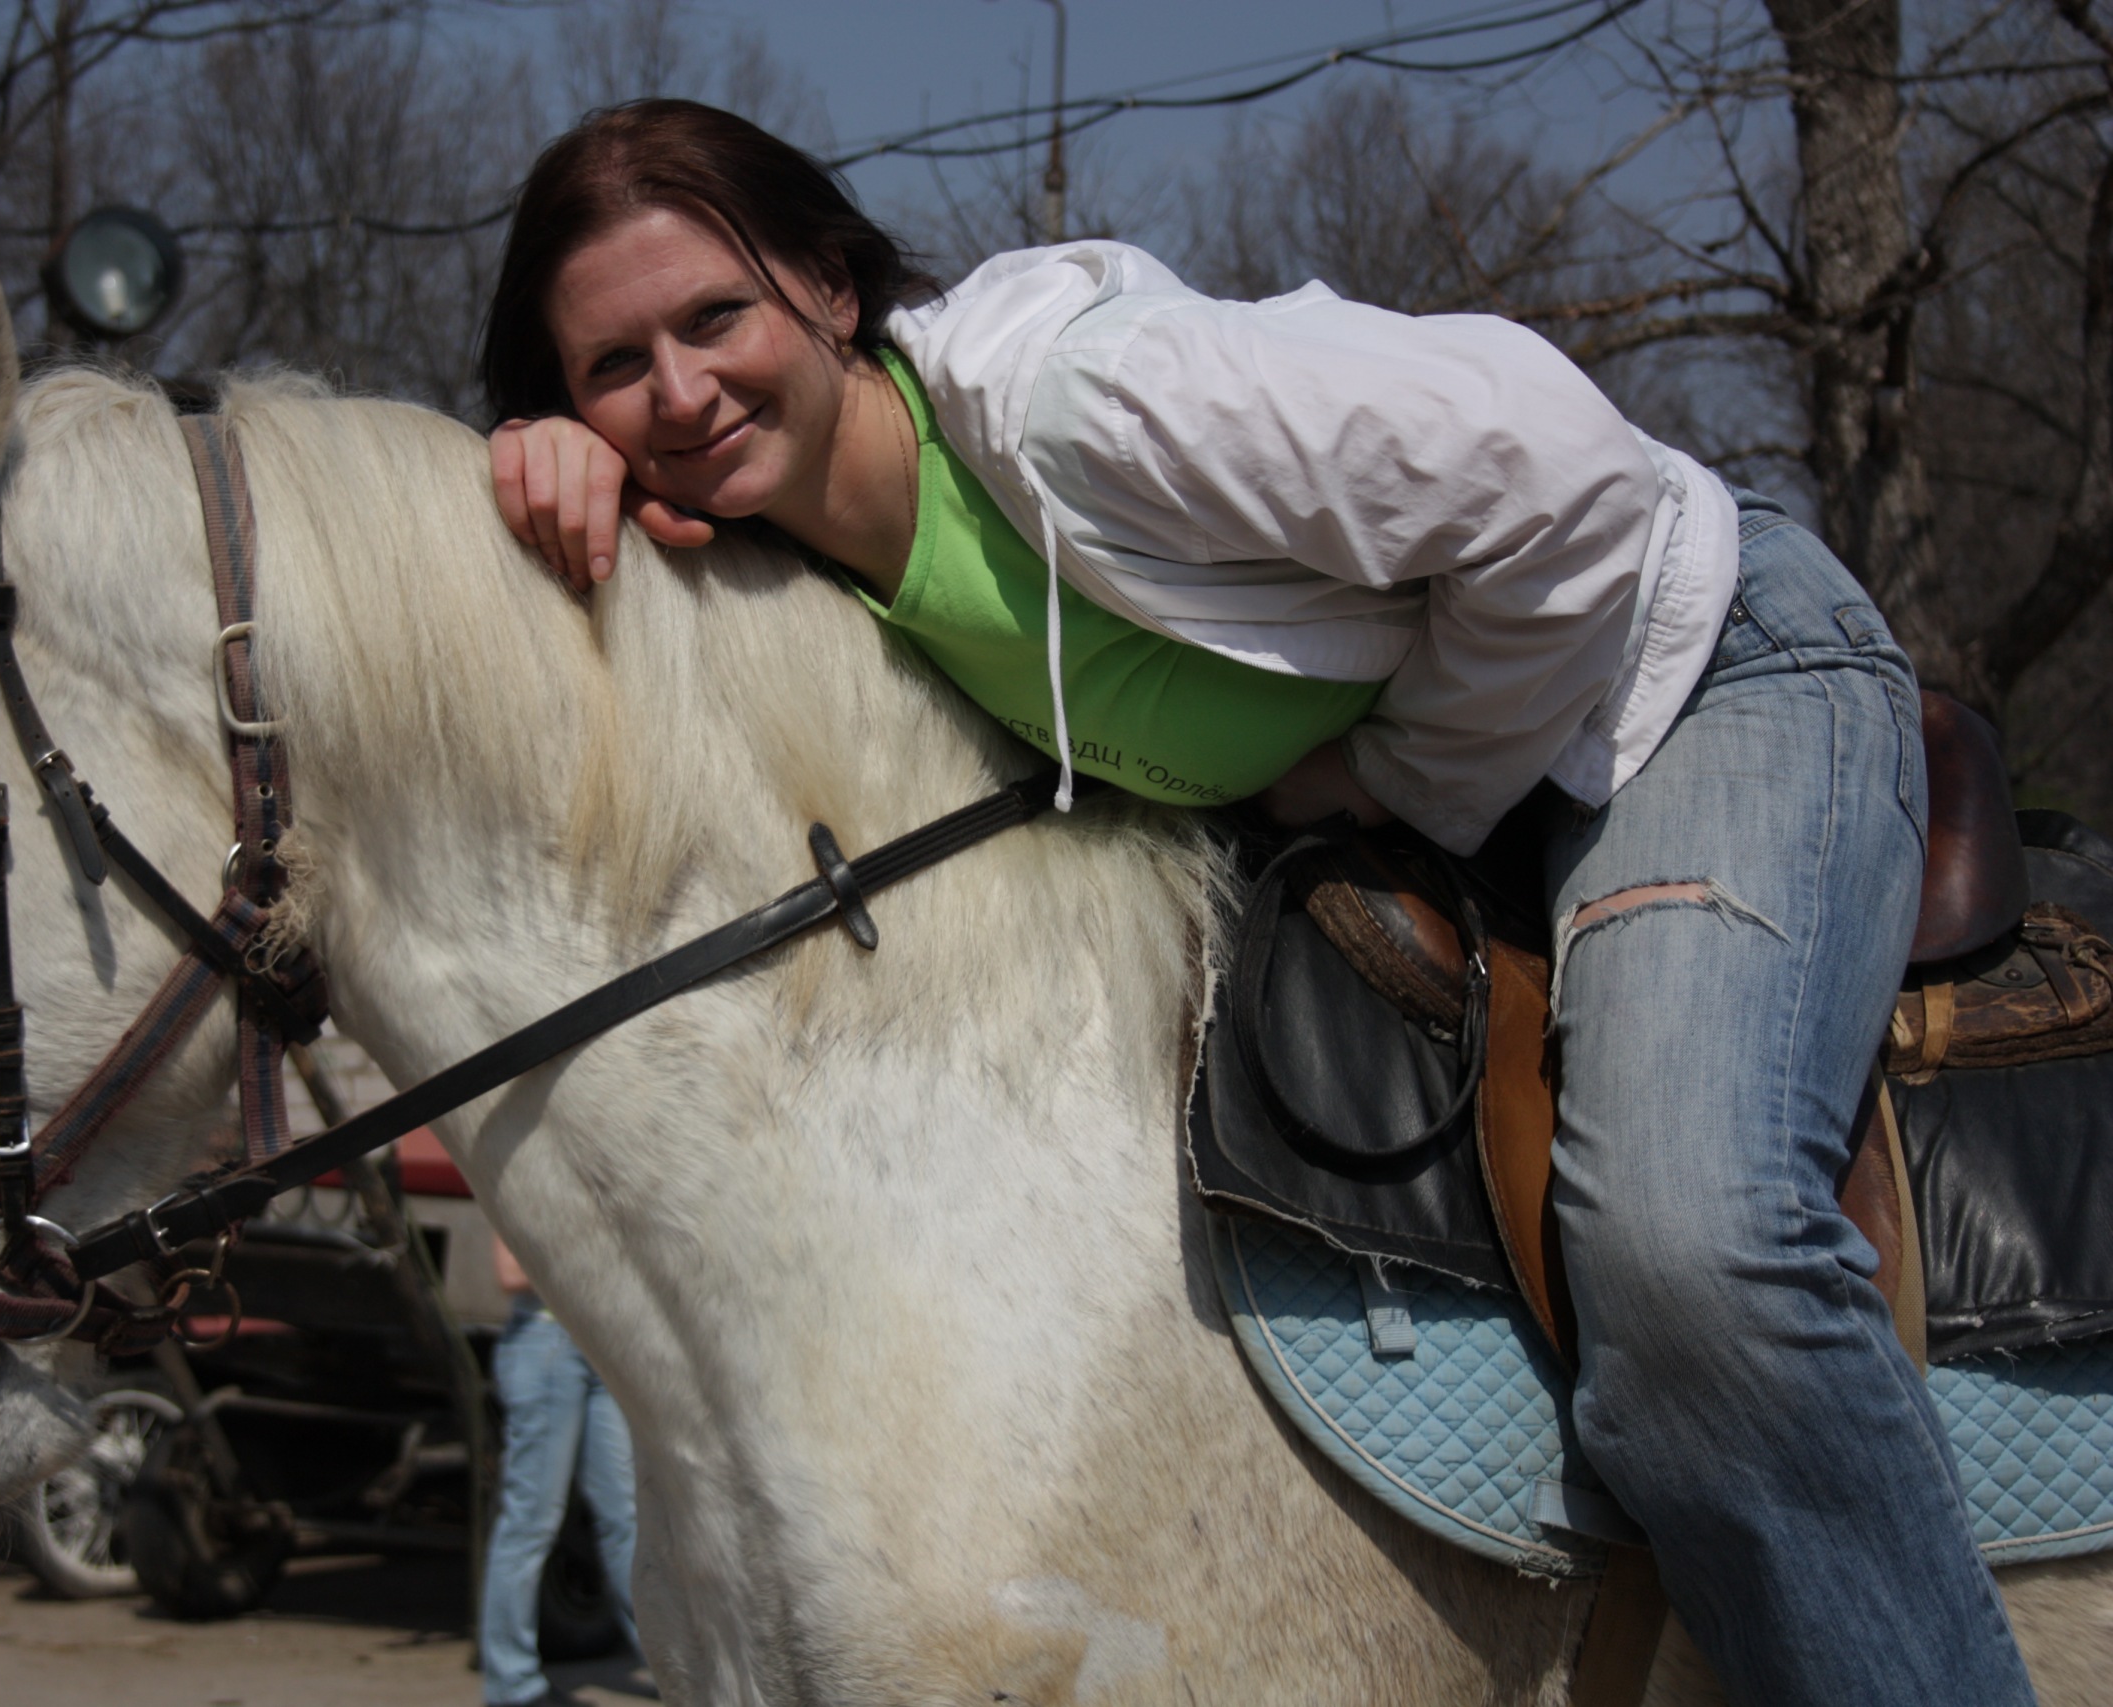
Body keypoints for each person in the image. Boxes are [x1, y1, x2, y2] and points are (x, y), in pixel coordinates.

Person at [477, 97, 2035, 1707]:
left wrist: (1395, 776)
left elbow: (1566, 482)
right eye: (614, 365)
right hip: (1490, 780)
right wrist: (533, 480)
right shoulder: (785, 563)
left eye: (715, 317)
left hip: (1689, 673)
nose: (680, 391)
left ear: (828, 284)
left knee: (1691, 1252)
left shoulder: (1076, 400)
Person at [480, 1234, 641, 1707]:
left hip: (599, 1349)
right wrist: (595, 1257)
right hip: (547, 1345)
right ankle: (510, 1682)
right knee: (531, 1520)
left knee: (625, 1517)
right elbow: (510, 1273)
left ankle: (667, 1659)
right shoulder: (532, 1193)